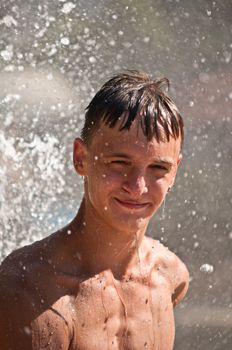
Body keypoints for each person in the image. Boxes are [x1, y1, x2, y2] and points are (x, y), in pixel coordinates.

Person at [0, 70, 189, 350]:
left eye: (158, 168)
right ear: (80, 158)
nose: (138, 187)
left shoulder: (171, 277)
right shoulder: (27, 292)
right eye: (119, 163)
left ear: (175, 171)